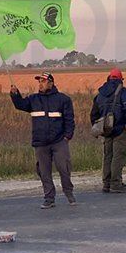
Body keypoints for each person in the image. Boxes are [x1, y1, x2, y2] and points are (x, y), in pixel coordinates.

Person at [10, 72, 77, 208]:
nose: (40, 84)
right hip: (40, 143)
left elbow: (69, 120)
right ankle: (49, 198)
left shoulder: (63, 99)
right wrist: (15, 95)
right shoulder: (33, 99)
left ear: (51, 83)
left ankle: (69, 192)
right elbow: (20, 105)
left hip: (59, 141)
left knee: (64, 168)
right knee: (44, 171)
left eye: (43, 81)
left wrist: (67, 137)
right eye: (39, 81)